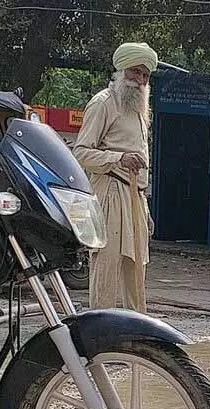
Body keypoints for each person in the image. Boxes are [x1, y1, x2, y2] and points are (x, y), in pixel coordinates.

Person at [74, 42, 157, 313]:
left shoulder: (140, 111)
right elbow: (81, 153)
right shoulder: (103, 103)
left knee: (137, 273)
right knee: (106, 269)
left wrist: (145, 209)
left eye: (145, 75)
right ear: (122, 70)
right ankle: (100, 338)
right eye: (135, 72)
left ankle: (136, 340)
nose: (141, 80)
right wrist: (118, 159)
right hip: (109, 192)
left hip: (136, 195)